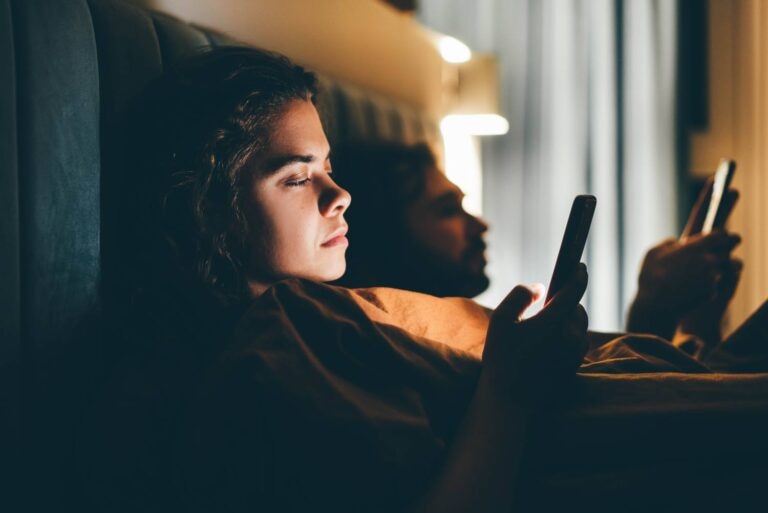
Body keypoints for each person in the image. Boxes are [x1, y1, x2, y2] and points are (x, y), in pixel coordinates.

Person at [84, 46, 766, 513]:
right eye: (297, 176)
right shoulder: (274, 351)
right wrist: (508, 388)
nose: (338, 193)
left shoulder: (341, 313)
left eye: (328, 166)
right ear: (206, 207)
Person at [331, 141, 742, 347]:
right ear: (383, 234)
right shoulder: (389, 340)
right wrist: (656, 307)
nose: (479, 224)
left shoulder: (474, 330)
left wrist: (692, 323)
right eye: (447, 210)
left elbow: (612, 387)